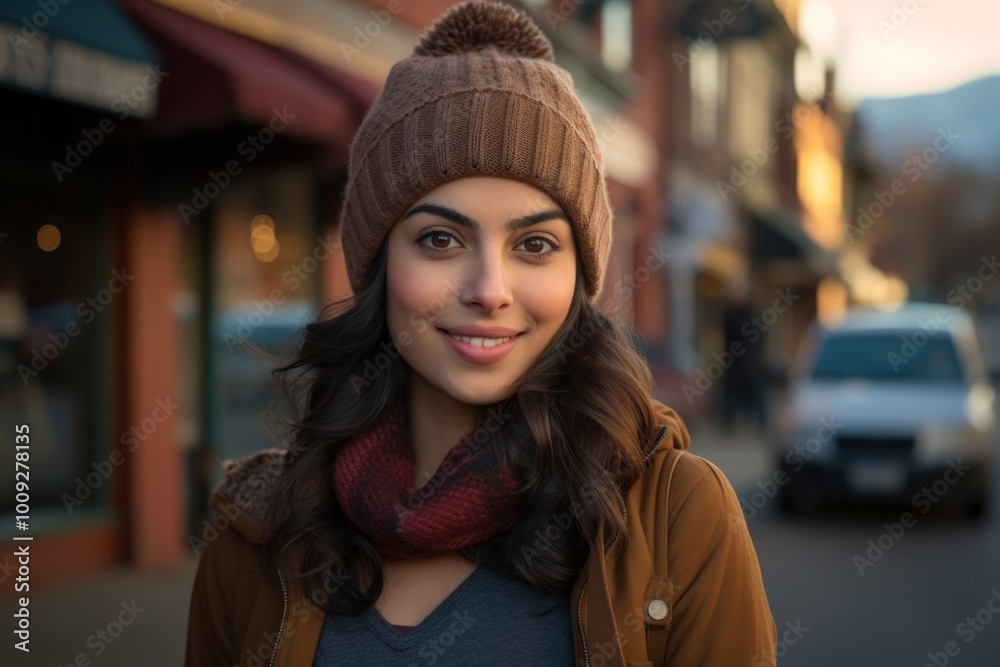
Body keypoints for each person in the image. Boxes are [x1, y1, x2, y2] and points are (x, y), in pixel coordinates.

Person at [184, 1, 776, 665]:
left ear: (580, 276)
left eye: (535, 244)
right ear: (381, 265)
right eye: (440, 239)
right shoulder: (256, 526)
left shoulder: (677, 518)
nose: (489, 288)